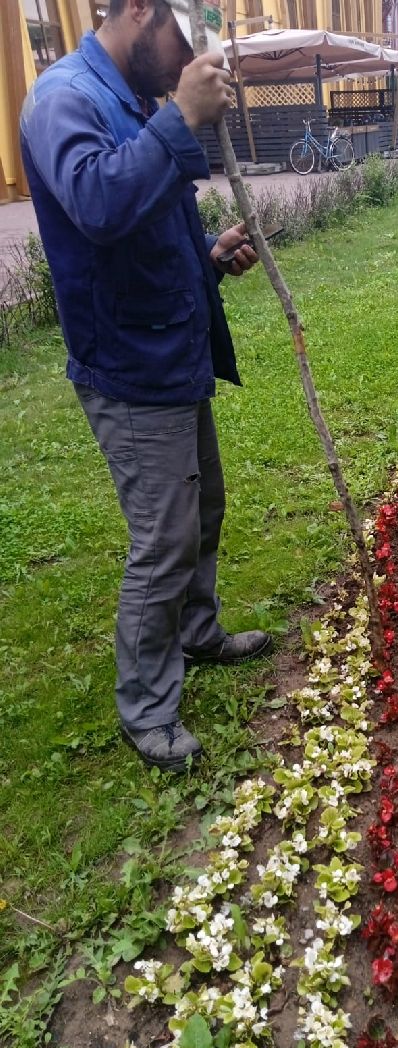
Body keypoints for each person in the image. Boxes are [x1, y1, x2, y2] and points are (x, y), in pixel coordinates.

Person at [20, 0, 270, 772]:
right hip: (130, 368)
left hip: (171, 349)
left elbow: (144, 228)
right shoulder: (63, 99)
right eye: (182, 40)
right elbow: (97, 206)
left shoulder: (130, 100)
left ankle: (196, 632)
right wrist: (181, 119)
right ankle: (146, 708)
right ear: (136, 11)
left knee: (203, 511)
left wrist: (205, 252)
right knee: (163, 539)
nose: (186, 61)